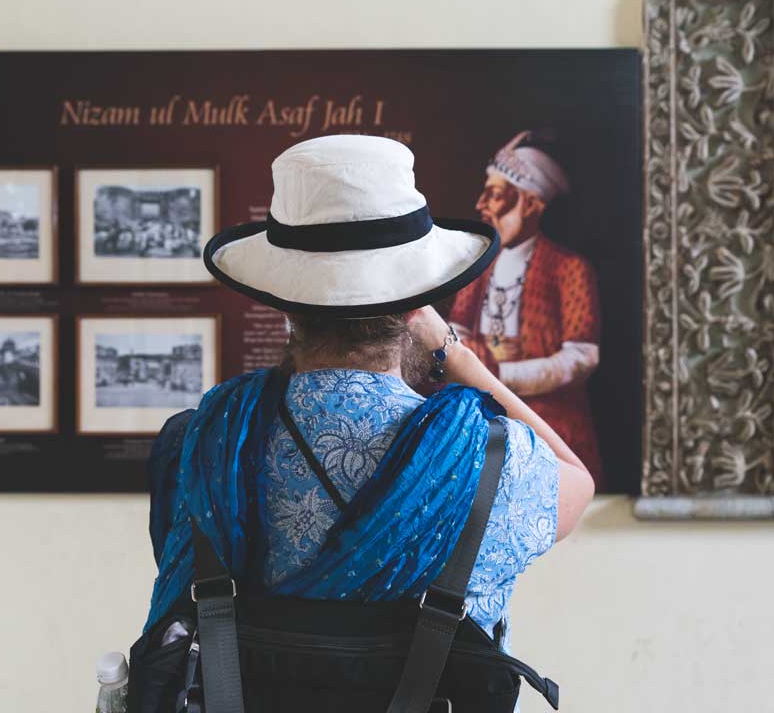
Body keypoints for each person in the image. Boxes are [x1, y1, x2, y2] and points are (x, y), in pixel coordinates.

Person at [142, 134, 594, 657]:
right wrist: (459, 357)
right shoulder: (491, 460)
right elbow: (577, 482)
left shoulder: (210, 443)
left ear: (286, 307)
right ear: (414, 309)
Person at [449, 131, 605, 486]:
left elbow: (581, 357)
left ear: (530, 205)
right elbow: (456, 330)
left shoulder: (569, 268)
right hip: (486, 422)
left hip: (553, 427)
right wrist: (466, 350)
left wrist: (500, 375)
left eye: (496, 195)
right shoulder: (479, 266)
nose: (481, 203)